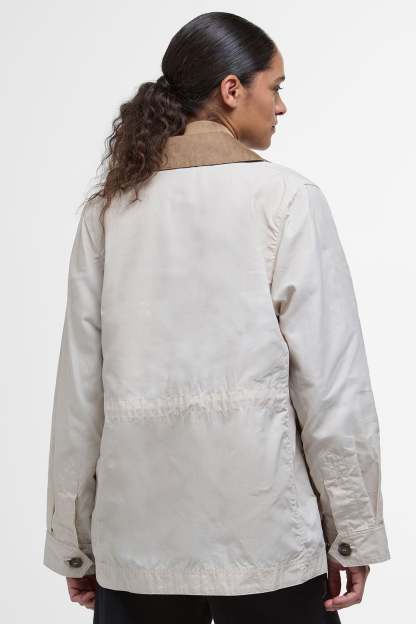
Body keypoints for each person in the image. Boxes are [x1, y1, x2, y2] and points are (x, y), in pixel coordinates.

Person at [42, 11, 391, 623]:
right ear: (232, 89)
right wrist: (353, 533)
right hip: (268, 545)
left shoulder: (108, 212)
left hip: (137, 548)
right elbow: (332, 389)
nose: (281, 106)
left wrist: (75, 542)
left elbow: (80, 396)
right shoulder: (287, 200)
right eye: (274, 86)